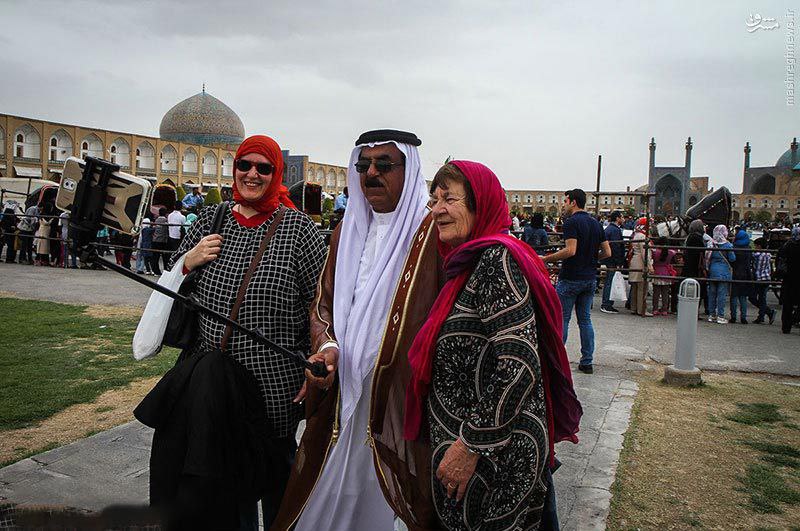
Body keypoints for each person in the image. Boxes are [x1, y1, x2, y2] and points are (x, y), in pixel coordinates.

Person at [141, 134, 326, 529]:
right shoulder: (212, 219)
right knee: (223, 480)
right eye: (245, 165)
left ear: (276, 174)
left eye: (264, 168)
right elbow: (171, 281)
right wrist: (188, 261)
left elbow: (321, 303)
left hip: (273, 383)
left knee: (277, 481)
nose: (252, 174)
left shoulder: (298, 230)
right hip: (213, 383)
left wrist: (315, 356)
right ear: (234, 168)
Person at [274, 130, 442, 531]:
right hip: (343, 393)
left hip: (399, 398)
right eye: (363, 165)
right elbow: (323, 303)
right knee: (336, 491)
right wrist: (327, 345)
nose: (371, 174)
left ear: (408, 169)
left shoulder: (432, 234)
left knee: (393, 497)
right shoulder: (345, 230)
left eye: (384, 165)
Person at [404, 160, 581, 531]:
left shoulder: (495, 260)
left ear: (479, 204)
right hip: (480, 459)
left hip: (493, 462)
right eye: (434, 200)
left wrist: (469, 445)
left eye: (449, 199)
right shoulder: (469, 263)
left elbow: (519, 365)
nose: (437, 210)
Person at [542, 189, 611, 374]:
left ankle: (556, 361)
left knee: (563, 318)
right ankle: (587, 361)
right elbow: (607, 252)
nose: (563, 204)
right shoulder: (596, 223)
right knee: (585, 320)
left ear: (573, 202)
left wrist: (547, 259)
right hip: (589, 278)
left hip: (571, 277)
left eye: (565, 201)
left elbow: (570, 250)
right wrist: (591, 259)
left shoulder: (571, 222)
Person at [706, 224, 736, 324]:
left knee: (712, 293)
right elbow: (732, 258)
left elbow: (707, 257)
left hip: (712, 271)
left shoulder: (711, 243)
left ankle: (711, 315)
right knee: (721, 295)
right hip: (723, 272)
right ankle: (720, 316)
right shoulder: (727, 245)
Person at [600, 210, 626, 313]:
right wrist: (619, 261)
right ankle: (606, 304)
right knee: (610, 281)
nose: (623, 219)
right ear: (617, 218)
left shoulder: (610, 229)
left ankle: (606, 303)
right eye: (622, 217)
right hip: (612, 259)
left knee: (609, 281)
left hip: (609, 258)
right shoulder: (615, 230)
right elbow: (616, 247)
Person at [627, 217, 653, 317]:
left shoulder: (636, 234)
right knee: (642, 288)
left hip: (634, 261)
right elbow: (645, 253)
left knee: (635, 287)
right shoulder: (643, 236)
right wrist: (649, 266)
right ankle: (641, 309)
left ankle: (634, 308)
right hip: (641, 263)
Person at [776, 226, 800, 333]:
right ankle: (796, 319)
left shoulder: (786, 246)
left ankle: (786, 326)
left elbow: (779, 260)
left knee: (787, 303)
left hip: (788, 277)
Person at [682, 220, 708, 317]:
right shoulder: (698, 238)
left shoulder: (689, 237)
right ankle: (694, 311)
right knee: (697, 289)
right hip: (696, 266)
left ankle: (688, 310)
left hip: (689, 265)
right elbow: (702, 252)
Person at [730, 228, 754, 324]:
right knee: (743, 297)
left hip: (735, 272)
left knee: (734, 296)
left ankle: (733, 316)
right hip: (745, 273)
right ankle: (743, 317)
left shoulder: (734, 247)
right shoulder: (748, 249)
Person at [751, 237, 776, 324]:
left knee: (752, 297)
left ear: (759, 246)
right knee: (762, 298)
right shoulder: (768, 254)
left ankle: (767, 312)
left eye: (756, 246)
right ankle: (763, 315)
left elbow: (757, 268)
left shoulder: (759, 255)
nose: (755, 248)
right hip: (766, 278)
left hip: (760, 278)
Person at [651, 237, 676, 315]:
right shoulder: (670, 253)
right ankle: (665, 309)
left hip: (656, 272)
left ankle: (655, 309)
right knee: (665, 293)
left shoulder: (655, 252)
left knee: (656, 293)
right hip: (666, 273)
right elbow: (674, 252)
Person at [151, 207, 169, 273]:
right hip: (163, 240)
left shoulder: (156, 220)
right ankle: (165, 270)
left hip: (155, 240)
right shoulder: (166, 221)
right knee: (165, 257)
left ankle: (155, 270)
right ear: (165, 213)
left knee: (155, 256)